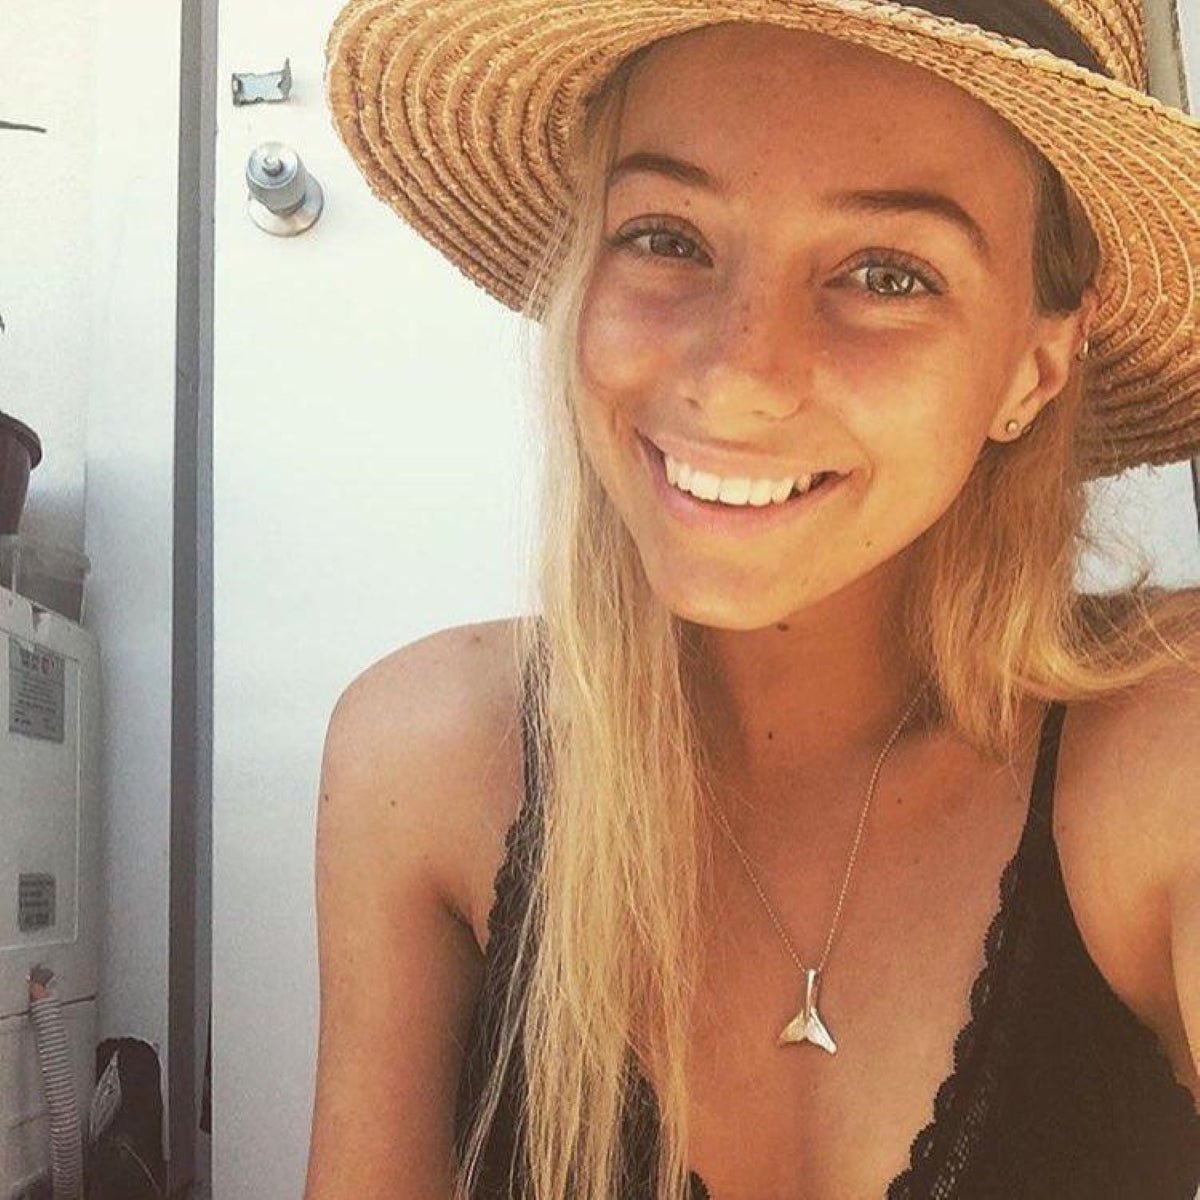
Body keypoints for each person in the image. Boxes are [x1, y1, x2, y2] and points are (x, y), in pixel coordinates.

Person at [307, 2, 1200, 1198]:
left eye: (888, 273)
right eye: (667, 237)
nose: (736, 377)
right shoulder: (428, 759)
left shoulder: (1163, 759)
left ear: (1036, 364)